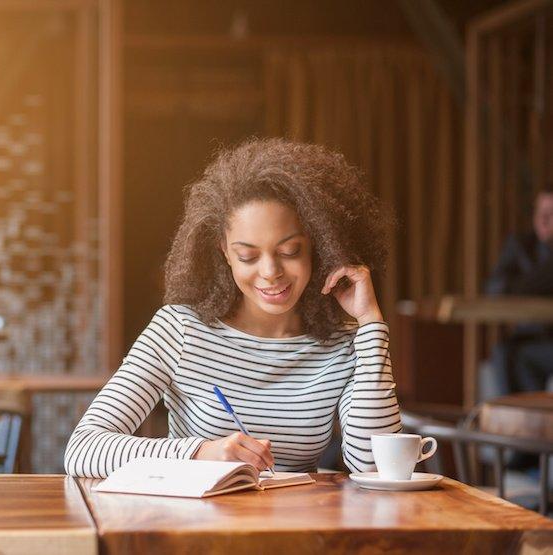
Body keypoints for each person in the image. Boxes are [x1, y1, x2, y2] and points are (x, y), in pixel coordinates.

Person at [64, 138, 401, 479]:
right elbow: (84, 449)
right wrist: (199, 452)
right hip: (195, 526)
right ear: (225, 251)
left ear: (318, 243)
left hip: (298, 527)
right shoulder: (180, 330)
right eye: (248, 256)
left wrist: (371, 323)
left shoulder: (343, 345)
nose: (270, 272)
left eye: (290, 251)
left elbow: (376, 467)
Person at [483, 187, 553, 395]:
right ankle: (512, 423)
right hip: (526, 337)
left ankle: (525, 422)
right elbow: (494, 288)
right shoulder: (521, 245)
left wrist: (519, 285)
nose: (543, 219)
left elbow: (508, 287)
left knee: (520, 360)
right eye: (539, 212)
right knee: (502, 352)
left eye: (551, 214)